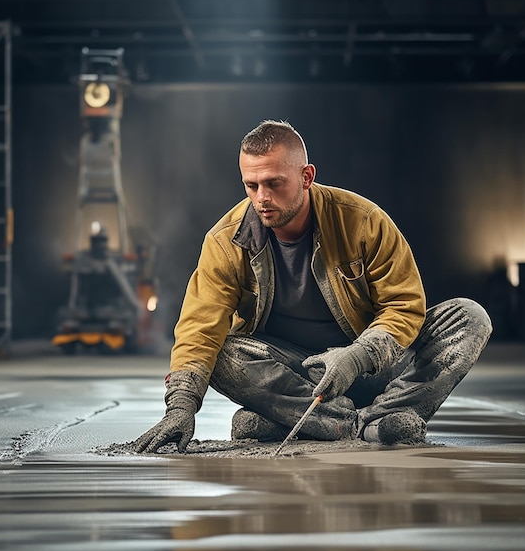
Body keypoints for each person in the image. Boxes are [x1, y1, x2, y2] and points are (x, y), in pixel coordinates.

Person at [135, 120, 492, 453]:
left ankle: (354, 417)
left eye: (274, 183)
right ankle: (356, 425)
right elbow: (199, 328)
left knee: (468, 317)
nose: (261, 197)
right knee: (220, 351)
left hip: (372, 366)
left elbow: (405, 305)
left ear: (306, 176)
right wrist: (181, 406)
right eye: (251, 185)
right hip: (297, 378)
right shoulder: (226, 241)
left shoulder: (363, 221)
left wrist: (357, 356)